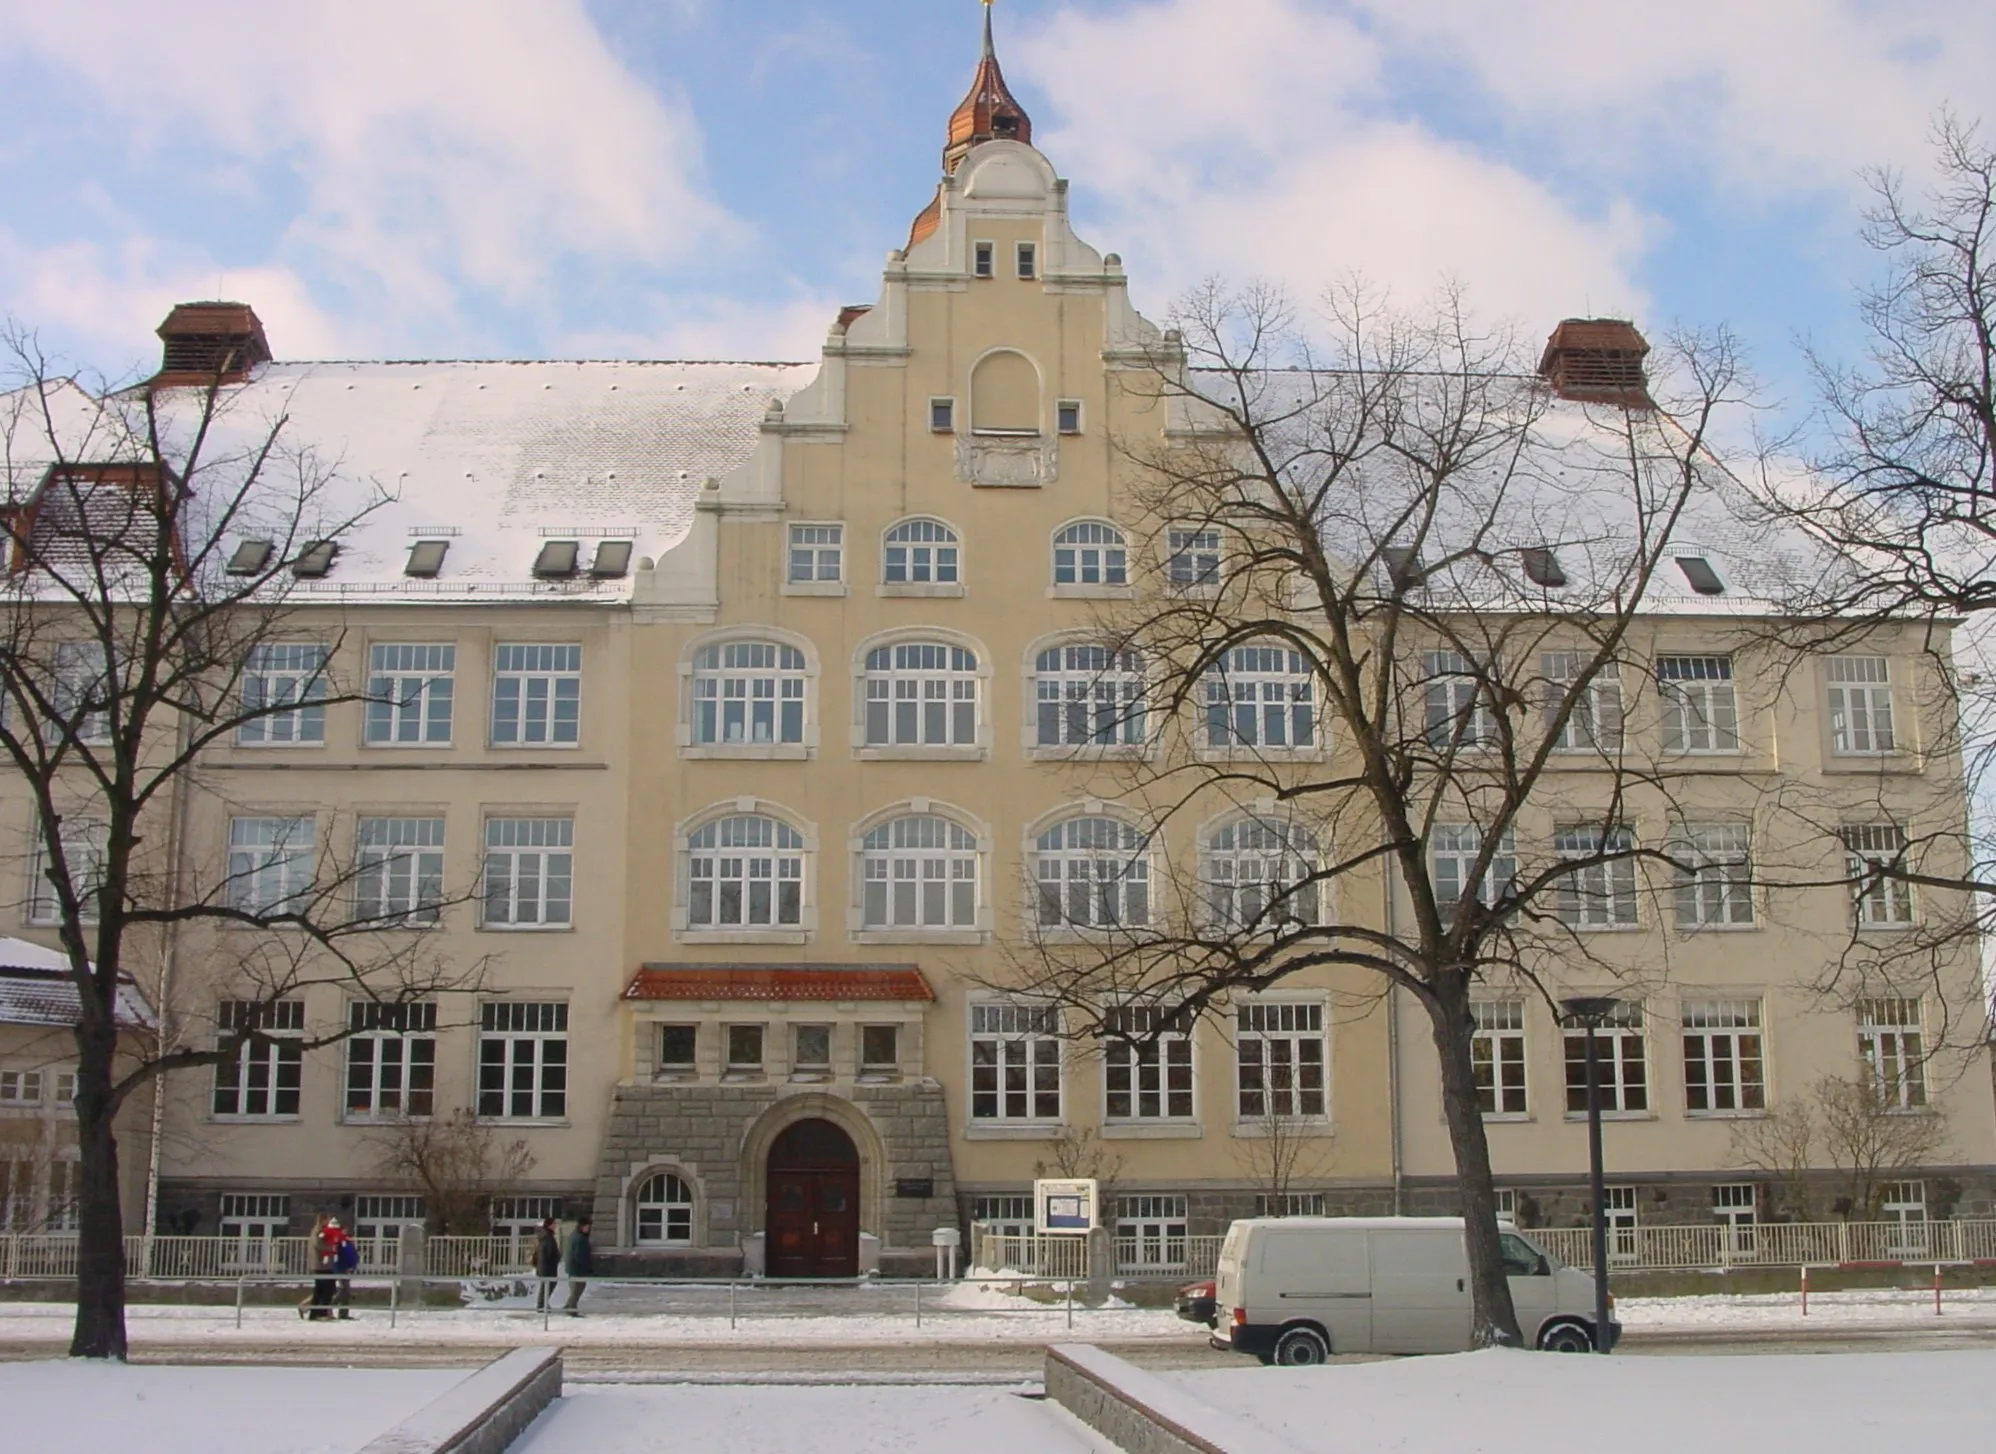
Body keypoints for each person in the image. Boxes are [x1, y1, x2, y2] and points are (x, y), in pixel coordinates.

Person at [302, 1214, 338, 1321]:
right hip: (322, 1265)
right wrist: (332, 1247)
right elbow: (318, 1244)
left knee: (320, 1290)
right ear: (323, 1220)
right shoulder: (319, 1231)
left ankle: (315, 1313)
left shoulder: (320, 1230)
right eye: (327, 1219)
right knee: (327, 1289)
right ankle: (320, 1313)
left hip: (323, 1264)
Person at [563, 1216, 593, 1316]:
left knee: (578, 1288)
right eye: (586, 1227)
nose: (588, 1229)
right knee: (577, 1289)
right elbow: (579, 1255)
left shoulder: (578, 1236)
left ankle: (569, 1306)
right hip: (576, 1268)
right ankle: (571, 1308)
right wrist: (586, 1266)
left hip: (576, 1268)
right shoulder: (578, 1238)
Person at [331, 1221, 360, 1319]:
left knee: (345, 1291)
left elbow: (352, 1254)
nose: (346, 1231)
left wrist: (353, 1265)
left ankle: (343, 1313)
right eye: (344, 1229)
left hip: (347, 1268)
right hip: (341, 1268)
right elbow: (340, 1255)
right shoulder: (339, 1241)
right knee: (344, 1290)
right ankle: (327, 1306)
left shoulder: (347, 1241)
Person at [533, 1216, 561, 1311]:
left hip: (545, 1265)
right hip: (547, 1266)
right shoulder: (548, 1237)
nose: (555, 1226)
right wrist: (556, 1257)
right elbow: (548, 1253)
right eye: (554, 1224)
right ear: (549, 1225)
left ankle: (542, 1304)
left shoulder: (546, 1236)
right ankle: (541, 1304)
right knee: (548, 1285)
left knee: (547, 1285)